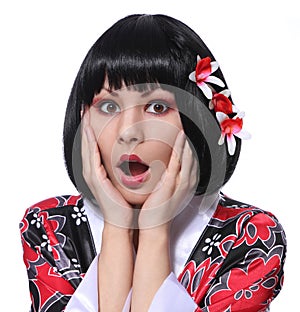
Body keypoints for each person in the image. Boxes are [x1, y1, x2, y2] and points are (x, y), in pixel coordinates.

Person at [20, 14, 286, 311]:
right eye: (108, 106)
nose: (128, 132)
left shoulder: (250, 237)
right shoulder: (51, 227)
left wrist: (155, 231)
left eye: (157, 107)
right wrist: (117, 228)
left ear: (198, 119)